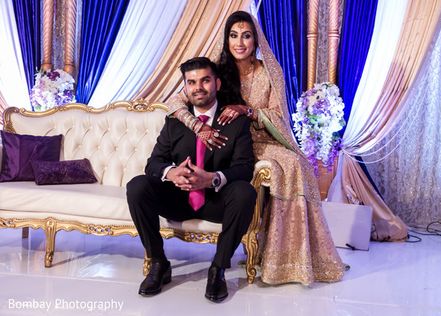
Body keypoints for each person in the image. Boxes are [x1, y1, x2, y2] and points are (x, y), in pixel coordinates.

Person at [167, 11, 346, 285]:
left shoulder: (270, 72)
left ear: (256, 40)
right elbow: (175, 103)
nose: (240, 42)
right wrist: (198, 126)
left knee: (297, 166)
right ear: (226, 39)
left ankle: (290, 259)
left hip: (264, 140)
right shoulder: (215, 71)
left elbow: (278, 115)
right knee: (287, 166)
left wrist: (248, 110)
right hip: (229, 143)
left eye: (246, 36)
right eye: (234, 35)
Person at [127, 57, 256, 302]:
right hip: (179, 199)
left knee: (244, 192)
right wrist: (171, 173)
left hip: (216, 201)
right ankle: (158, 263)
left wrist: (212, 179)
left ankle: (218, 268)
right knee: (137, 186)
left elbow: (244, 169)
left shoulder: (235, 122)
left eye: (205, 80)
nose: (198, 87)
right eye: (192, 82)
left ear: (216, 83)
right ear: (185, 89)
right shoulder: (175, 122)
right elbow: (153, 164)